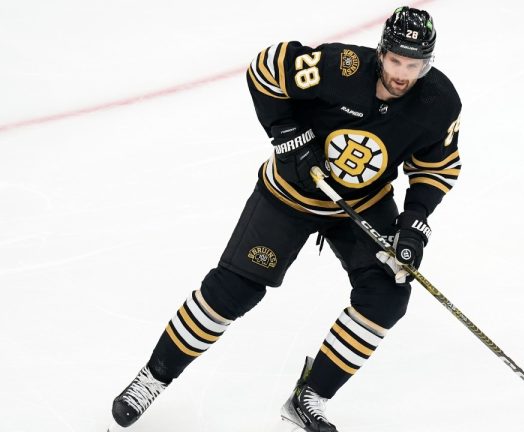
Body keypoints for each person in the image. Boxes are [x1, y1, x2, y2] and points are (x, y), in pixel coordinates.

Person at [109, 6, 461, 432]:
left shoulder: (439, 103)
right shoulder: (341, 68)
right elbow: (264, 70)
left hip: (362, 204)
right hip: (289, 196)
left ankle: (310, 396)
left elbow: (435, 169)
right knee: (231, 292)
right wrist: (286, 133)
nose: (403, 74)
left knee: (387, 295)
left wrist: (414, 224)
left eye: (415, 64)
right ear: (381, 52)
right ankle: (152, 378)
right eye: (396, 61)